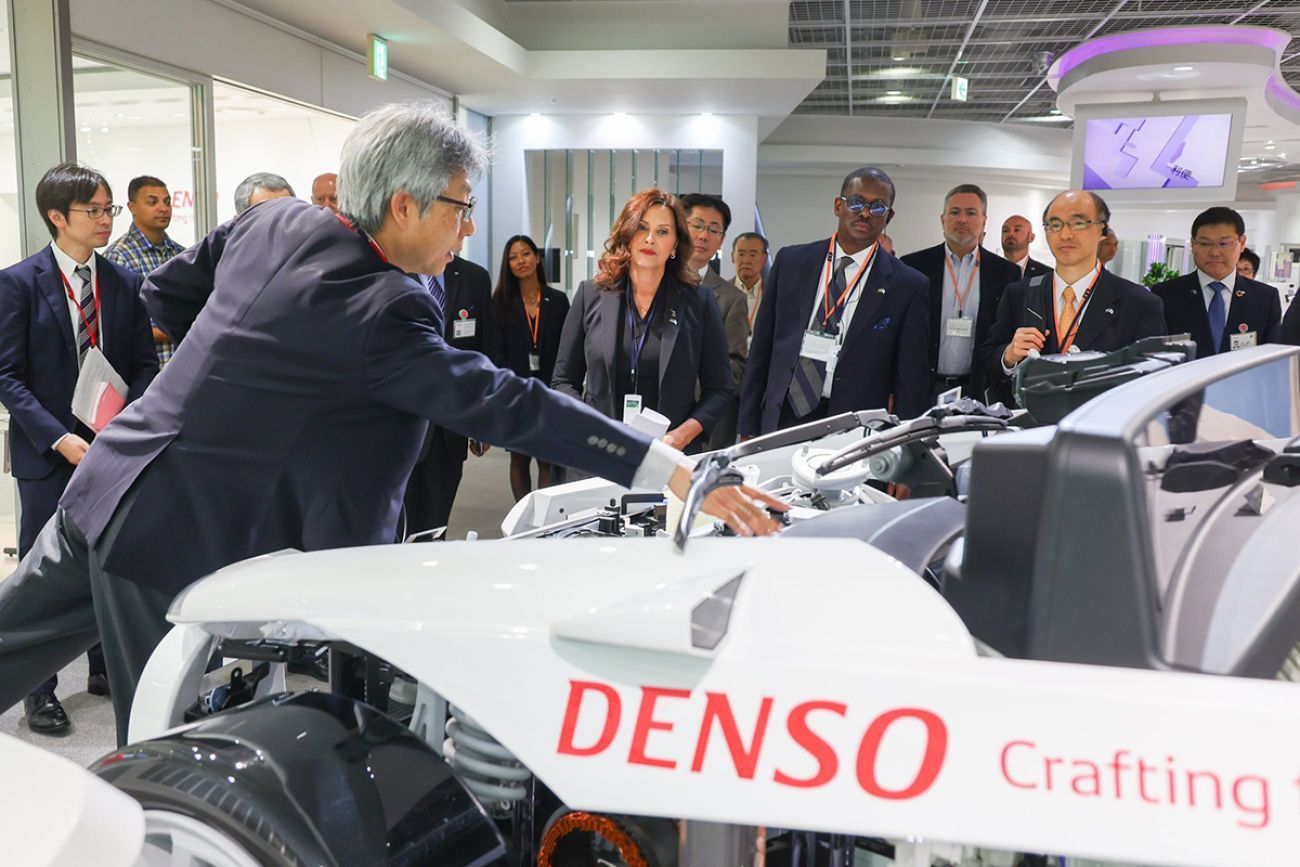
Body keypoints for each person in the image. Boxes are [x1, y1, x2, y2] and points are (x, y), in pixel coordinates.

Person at [0, 104, 781, 743]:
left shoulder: (278, 222)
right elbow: (513, 402)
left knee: (11, 641)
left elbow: (167, 295)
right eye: (460, 207)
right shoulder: (387, 309)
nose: (467, 228)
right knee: (169, 758)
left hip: (110, 482)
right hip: (175, 534)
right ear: (404, 205)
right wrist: (666, 468)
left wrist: (235, 386)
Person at [0, 163, 157, 734]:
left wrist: (124, 430)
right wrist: (60, 438)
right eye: (94, 210)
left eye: (108, 210)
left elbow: (143, 364)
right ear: (56, 217)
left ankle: (101, 667)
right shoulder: (17, 282)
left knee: (107, 560)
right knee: (41, 577)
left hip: (111, 451)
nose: (103, 220)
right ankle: (36, 690)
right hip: (48, 455)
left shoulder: (122, 282)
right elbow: (7, 375)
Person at [737, 166, 930, 437]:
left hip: (853, 429)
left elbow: (910, 381)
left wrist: (907, 451)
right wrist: (747, 427)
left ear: (889, 216)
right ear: (838, 206)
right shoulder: (791, 262)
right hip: (782, 416)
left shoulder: (907, 285)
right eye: (856, 202)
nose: (865, 213)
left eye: (877, 207)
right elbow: (762, 351)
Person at [553, 187, 732, 454]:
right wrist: (589, 427)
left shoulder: (699, 302)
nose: (650, 239)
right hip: (597, 451)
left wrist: (680, 437)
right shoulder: (590, 295)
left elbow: (719, 390)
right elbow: (562, 381)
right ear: (627, 235)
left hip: (669, 455)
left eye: (662, 232)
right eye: (641, 228)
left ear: (674, 244)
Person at [979, 190, 1165, 405]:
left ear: (1102, 230)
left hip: (1101, 429)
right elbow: (988, 357)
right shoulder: (1021, 293)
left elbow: (1153, 383)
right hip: (1028, 427)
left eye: (1078, 223)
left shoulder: (1139, 303)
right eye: (1055, 225)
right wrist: (1008, 356)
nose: (1065, 234)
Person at [900, 184, 1022, 402]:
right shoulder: (913, 266)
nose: (962, 219)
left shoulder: (1006, 273)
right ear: (942, 219)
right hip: (921, 388)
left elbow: (1005, 335)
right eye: (954, 212)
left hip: (979, 389)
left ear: (984, 221)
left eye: (971, 213)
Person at [402, 252, 495, 537]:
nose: (465, 227)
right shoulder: (394, 268)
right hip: (398, 424)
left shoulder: (473, 278)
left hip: (448, 428)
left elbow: (483, 350)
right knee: (392, 532)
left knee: (435, 527)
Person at [488, 235, 570, 500]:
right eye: (513, 257)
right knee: (520, 458)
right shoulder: (500, 303)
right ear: (507, 265)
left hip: (550, 392)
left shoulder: (557, 301)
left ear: (537, 257)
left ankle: (543, 523)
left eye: (525, 254)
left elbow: (566, 350)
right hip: (516, 393)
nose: (520, 261)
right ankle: (521, 517)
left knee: (547, 459)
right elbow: (496, 353)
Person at [1150, 207, 1280, 360]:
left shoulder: (1264, 298)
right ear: (1193, 244)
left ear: (1242, 243)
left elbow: (1272, 359)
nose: (1214, 252)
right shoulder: (1166, 295)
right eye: (1205, 244)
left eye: (1224, 243)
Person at [679, 193, 748, 450]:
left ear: (721, 240)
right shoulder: (653, 285)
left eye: (714, 229)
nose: (703, 235)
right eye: (696, 225)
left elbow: (736, 366)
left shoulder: (732, 298)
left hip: (703, 423)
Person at [105, 175, 187, 367]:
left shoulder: (181, 255)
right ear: (132, 207)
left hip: (184, 370)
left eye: (167, 202)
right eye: (152, 202)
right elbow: (119, 327)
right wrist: (177, 331)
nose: (163, 208)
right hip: (146, 376)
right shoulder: (118, 257)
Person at [731, 231, 768, 329]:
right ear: (732, 257)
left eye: (752, 255)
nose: (746, 260)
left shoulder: (774, 294)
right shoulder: (718, 293)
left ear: (765, 258)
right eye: (741, 254)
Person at [1001, 215, 1051, 280]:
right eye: (1005, 230)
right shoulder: (987, 270)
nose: (1010, 234)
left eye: (1017, 230)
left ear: (1031, 237)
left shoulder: (1046, 275)